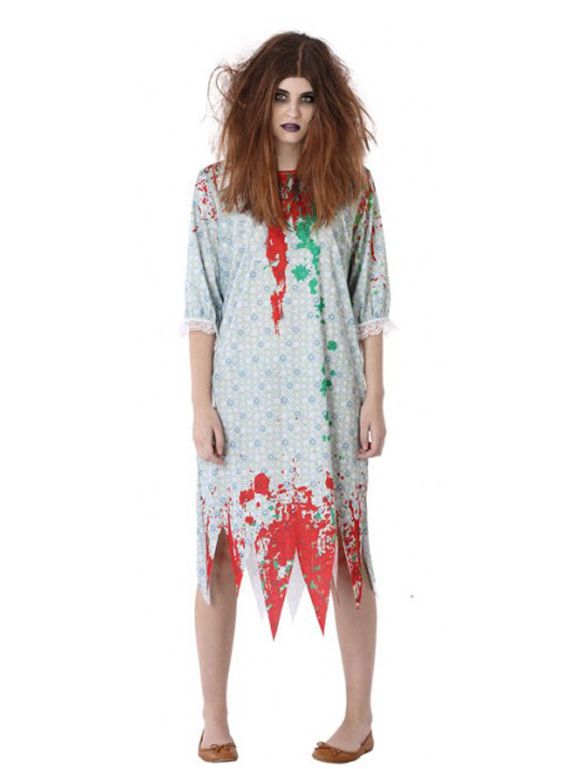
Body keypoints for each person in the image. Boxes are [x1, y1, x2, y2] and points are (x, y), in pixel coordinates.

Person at [180, 32, 397, 763]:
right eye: (280, 96)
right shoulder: (217, 189)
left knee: (345, 555)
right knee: (219, 555)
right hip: (240, 406)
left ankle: (359, 717)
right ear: (258, 100)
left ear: (326, 105)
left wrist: (375, 398)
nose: (293, 111)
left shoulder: (353, 188)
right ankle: (214, 719)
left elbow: (370, 302)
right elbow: (201, 307)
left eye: (306, 98)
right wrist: (200, 405)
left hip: (329, 398)